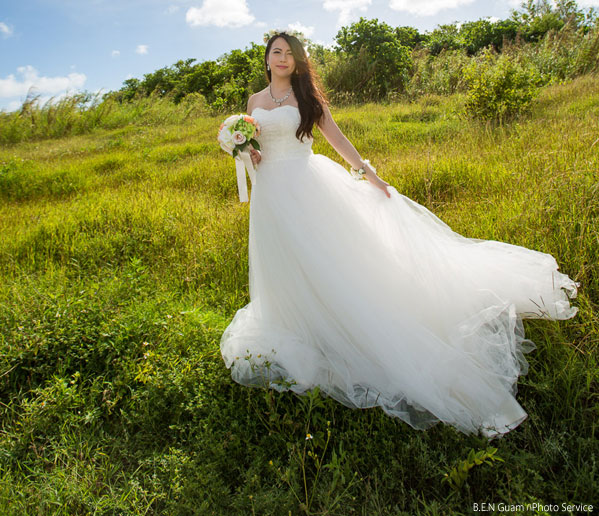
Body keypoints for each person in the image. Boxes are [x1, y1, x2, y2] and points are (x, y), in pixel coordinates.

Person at [219, 31, 579, 439]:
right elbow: (255, 148)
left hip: (306, 184)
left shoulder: (307, 98)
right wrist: (246, 150)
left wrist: (366, 171)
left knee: (330, 262)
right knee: (283, 263)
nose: (282, 58)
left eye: (290, 54)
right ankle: (299, 325)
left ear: (298, 62)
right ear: (266, 60)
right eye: (276, 52)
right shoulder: (253, 103)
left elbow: (335, 138)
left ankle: (346, 324)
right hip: (271, 195)